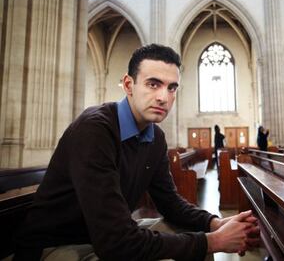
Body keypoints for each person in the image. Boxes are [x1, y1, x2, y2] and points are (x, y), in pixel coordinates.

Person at [12, 44, 259, 261]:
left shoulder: (156, 137)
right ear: (129, 85)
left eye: (172, 88)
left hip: (104, 235)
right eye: (153, 84)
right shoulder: (95, 130)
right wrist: (215, 240)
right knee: (192, 248)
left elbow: (169, 203)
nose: (163, 97)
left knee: (196, 243)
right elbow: (116, 243)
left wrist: (214, 224)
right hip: (55, 245)